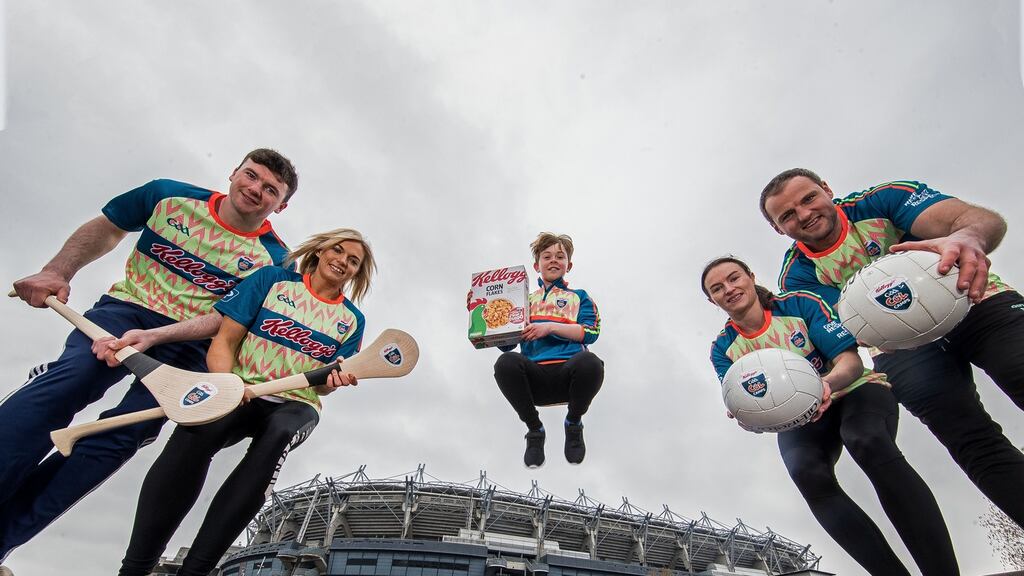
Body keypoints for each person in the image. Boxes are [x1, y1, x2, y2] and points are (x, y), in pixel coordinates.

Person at [0, 149, 298, 565]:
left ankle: (3, 538)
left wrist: (157, 336)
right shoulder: (168, 197)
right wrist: (58, 271)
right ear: (234, 173)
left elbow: (226, 320)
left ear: (280, 205)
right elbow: (108, 228)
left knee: (121, 436)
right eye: (251, 176)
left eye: (270, 189)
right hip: (127, 310)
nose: (254, 189)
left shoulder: (277, 262)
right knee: (71, 381)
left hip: (189, 343)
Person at [761, 168, 1024, 527]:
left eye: (808, 199)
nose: (804, 214)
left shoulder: (883, 200)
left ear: (827, 189)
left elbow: (978, 220)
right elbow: (839, 337)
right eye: (787, 215)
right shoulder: (798, 277)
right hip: (902, 349)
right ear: (778, 229)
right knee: (970, 440)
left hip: (975, 300)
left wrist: (967, 237)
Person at [116, 228, 374, 576]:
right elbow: (225, 339)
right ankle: (135, 568)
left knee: (278, 435)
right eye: (338, 251)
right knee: (194, 439)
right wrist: (227, 385)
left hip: (295, 404)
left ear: (358, 273)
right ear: (320, 251)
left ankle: (196, 571)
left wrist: (335, 381)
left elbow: (325, 387)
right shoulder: (273, 280)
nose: (342, 261)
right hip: (238, 387)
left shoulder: (351, 320)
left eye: (353, 261)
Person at [704, 256, 958, 575]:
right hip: (801, 418)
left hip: (853, 390)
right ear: (712, 300)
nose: (729, 289)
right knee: (807, 473)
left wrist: (822, 386)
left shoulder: (799, 305)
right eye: (717, 288)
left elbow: (849, 362)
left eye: (734, 278)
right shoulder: (723, 349)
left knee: (866, 440)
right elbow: (746, 405)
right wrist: (750, 418)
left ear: (751, 277)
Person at [492, 232, 603, 467]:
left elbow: (591, 333)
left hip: (569, 379)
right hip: (535, 382)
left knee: (591, 363)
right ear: (537, 265)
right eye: (547, 256)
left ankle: (573, 424)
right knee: (505, 363)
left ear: (568, 265)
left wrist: (549, 327)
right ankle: (534, 430)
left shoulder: (579, 297)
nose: (553, 260)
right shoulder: (523, 301)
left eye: (560, 256)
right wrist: (483, 313)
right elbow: (507, 345)